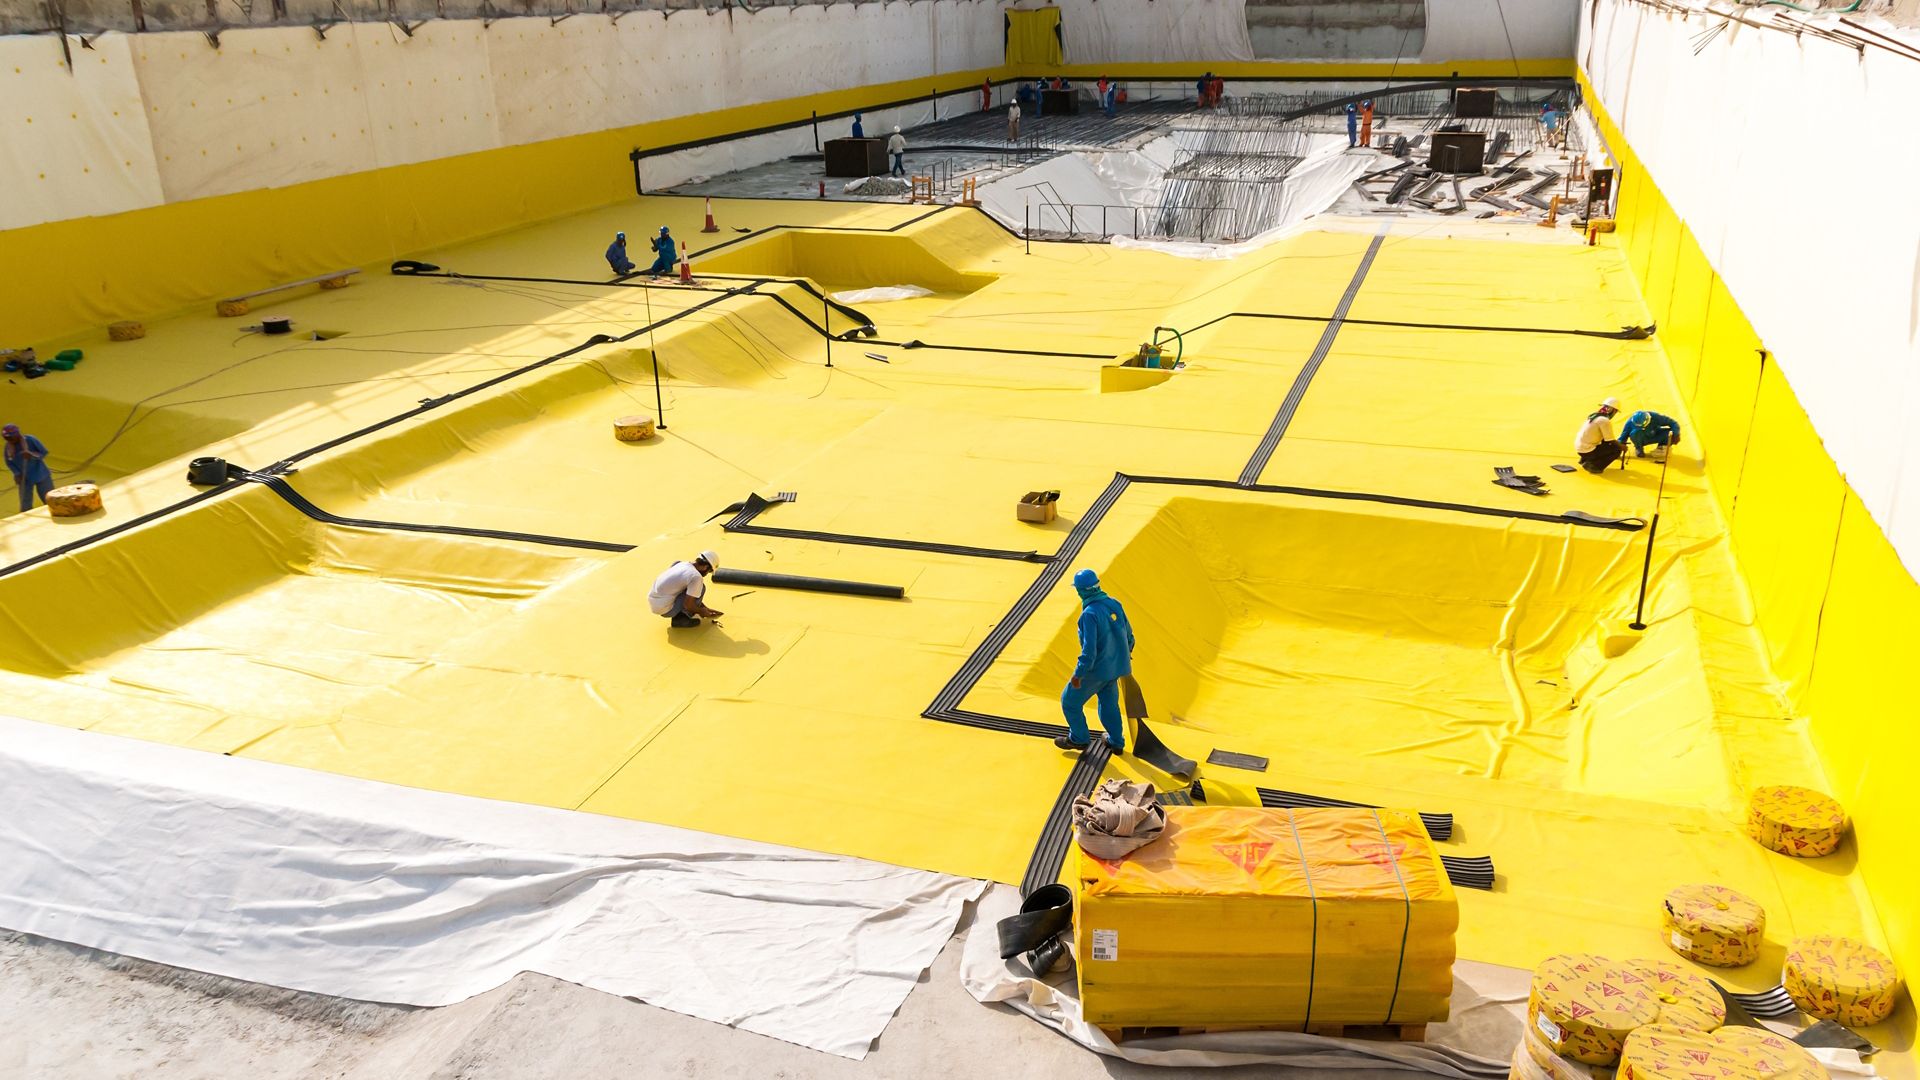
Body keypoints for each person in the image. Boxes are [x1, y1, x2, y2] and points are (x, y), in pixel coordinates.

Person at [1055, 569, 1134, 755]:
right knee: (1109, 705)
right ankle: (1116, 741)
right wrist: (1124, 655)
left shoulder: (1089, 615)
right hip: (1115, 669)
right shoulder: (1114, 604)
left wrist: (1078, 675)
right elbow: (1129, 636)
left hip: (1095, 672)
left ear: (1081, 591)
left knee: (1069, 702)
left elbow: (1088, 651)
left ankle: (1079, 738)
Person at [649, 550, 724, 629]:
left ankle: (680, 615)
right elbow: (688, 605)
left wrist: (705, 608)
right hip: (664, 610)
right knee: (701, 588)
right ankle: (681, 619)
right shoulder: (696, 577)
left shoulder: (679, 564)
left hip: (654, 602)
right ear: (706, 567)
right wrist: (701, 611)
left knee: (694, 588)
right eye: (709, 571)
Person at [4, 424, 52, 513]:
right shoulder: (8, 447)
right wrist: (17, 473)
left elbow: (44, 452)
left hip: (40, 474)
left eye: (11, 438)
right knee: (25, 502)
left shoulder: (30, 439)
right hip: (24, 477)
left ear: (17, 434)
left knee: (49, 498)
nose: (9, 440)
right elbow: (9, 462)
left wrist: (32, 455)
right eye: (6, 438)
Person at [1575, 397, 1626, 473]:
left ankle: (1584, 459)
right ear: (1612, 410)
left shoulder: (1594, 415)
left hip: (1580, 447)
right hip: (1586, 450)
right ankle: (1593, 466)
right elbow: (1610, 440)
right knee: (1617, 449)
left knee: (1607, 443)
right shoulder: (1604, 421)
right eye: (1615, 412)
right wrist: (1622, 447)